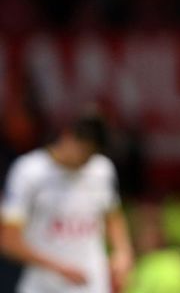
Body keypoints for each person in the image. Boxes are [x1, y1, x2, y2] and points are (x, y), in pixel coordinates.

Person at [0, 113, 134, 293]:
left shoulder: (102, 169)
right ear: (67, 136)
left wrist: (122, 252)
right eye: (84, 151)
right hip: (43, 285)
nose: (86, 160)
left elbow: (113, 216)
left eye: (92, 153)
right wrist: (58, 268)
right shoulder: (29, 171)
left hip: (91, 284)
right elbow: (8, 241)